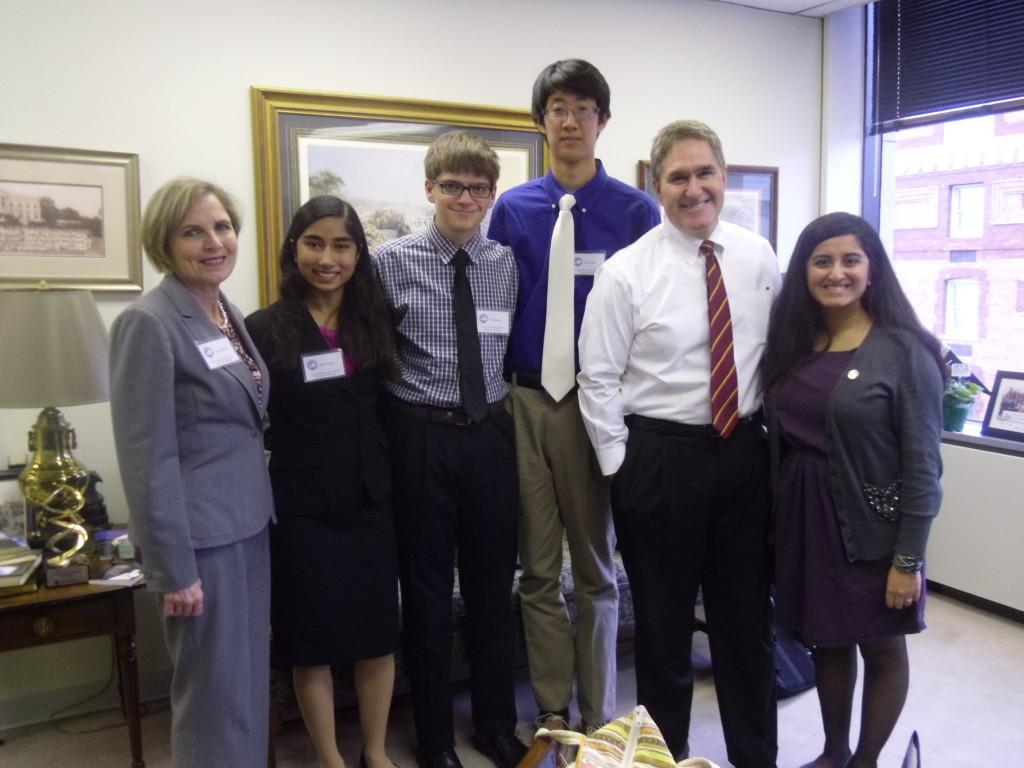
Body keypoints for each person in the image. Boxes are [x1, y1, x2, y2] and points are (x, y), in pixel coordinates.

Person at [577, 120, 779, 766]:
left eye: (705, 173)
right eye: (678, 177)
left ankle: (756, 756)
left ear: (723, 176)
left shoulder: (759, 256)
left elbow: (773, 355)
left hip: (744, 454)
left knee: (746, 627)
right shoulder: (625, 273)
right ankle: (666, 759)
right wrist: (622, 469)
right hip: (660, 459)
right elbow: (597, 379)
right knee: (663, 637)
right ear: (656, 186)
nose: (695, 189)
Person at [487, 58, 660, 734]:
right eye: (557, 108)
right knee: (535, 572)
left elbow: (651, 314)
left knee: (593, 568)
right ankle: (553, 711)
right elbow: (498, 309)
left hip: (596, 405)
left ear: (602, 122)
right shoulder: (514, 209)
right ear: (541, 122)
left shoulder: (635, 210)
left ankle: (600, 714)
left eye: (582, 108)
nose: (569, 120)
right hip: (526, 401)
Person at [761, 212, 945, 768]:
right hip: (805, 518)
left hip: (874, 526)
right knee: (828, 640)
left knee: (882, 646)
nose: (835, 273)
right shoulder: (794, 342)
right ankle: (832, 753)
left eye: (850, 260)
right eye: (822, 261)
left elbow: (923, 468)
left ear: (872, 269)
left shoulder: (906, 350)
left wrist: (907, 560)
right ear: (804, 271)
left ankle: (865, 761)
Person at [373, 131, 526, 768]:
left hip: (489, 434)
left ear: (492, 195)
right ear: (429, 188)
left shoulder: (506, 263)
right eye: (453, 185)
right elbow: (372, 356)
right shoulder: (389, 262)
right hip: (420, 435)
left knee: (495, 589)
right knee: (429, 591)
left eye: (479, 188)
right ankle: (434, 738)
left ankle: (494, 724)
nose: (466, 197)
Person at [109, 177, 274, 767]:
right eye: (193, 231)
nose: (214, 242)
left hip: (249, 526)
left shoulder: (223, 310)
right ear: (165, 241)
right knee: (210, 694)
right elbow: (144, 456)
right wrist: (172, 568)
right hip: (200, 542)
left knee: (247, 686)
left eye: (222, 227)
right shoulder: (149, 322)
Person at [246, 196, 401, 768]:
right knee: (310, 642)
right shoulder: (264, 328)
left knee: (376, 636)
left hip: (369, 500)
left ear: (359, 253)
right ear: (294, 249)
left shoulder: (376, 319)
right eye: (314, 243)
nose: (328, 258)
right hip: (302, 507)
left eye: (342, 245)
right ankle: (330, 758)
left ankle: (377, 751)